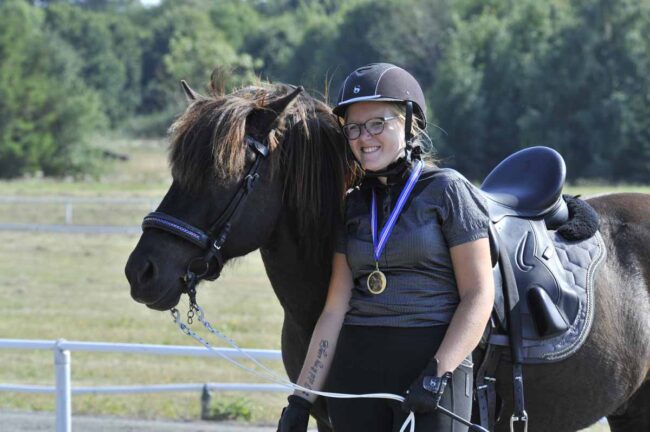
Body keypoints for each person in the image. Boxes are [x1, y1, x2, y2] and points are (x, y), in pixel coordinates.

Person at [276, 63, 495, 432]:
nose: (364, 137)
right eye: (354, 128)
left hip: (432, 367)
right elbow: (334, 311)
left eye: (377, 123)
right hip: (356, 370)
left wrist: (438, 372)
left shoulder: (448, 191)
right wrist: (301, 398)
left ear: (410, 124)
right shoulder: (353, 205)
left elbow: (478, 295)